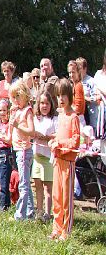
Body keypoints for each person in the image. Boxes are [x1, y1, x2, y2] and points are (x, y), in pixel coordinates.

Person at [50, 79, 81, 240]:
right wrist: (53, 141)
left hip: (68, 163)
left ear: (69, 96)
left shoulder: (73, 117)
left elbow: (75, 141)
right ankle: (56, 227)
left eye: (63, 95)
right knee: (56, 196)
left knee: (66, 198)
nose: (61, 99)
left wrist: (59, 143)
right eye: (58, 95)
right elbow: (59, 135)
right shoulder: (60, 116)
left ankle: (66, 232)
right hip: (57, 161)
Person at [10, 80, 35, 221]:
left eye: (17, 97)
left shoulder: (28, 111)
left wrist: (18, 126)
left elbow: (31, 131)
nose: (15, 100)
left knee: (23, 184)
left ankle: (20, 215)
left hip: (24, 150)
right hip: (18, 149)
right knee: (25, 183)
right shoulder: (18, 110)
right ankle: (30, 212)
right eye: (13, 97)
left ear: (24, 95)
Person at [31, 90, 56, 223]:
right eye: (42, 103)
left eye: (47, 103)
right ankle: (39, 211)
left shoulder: (54, 119)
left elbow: (57, 134)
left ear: (50, 105)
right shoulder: (36, 118)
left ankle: (48, 212)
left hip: (48, 158)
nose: (44, 106)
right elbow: (30, 132)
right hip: (36, 156)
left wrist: (45, 137)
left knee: (48, 187)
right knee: (38, 186)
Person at [0, 99, 13, 212]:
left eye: (4, 110)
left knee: (4, 181)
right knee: (1, 179)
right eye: (0, 110)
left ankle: (3, 205)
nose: (2, 112)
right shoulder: (1, 124)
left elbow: (9, 140)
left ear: (8, 111)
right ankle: (6, 203)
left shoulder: (9, 124)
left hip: (6, 154)